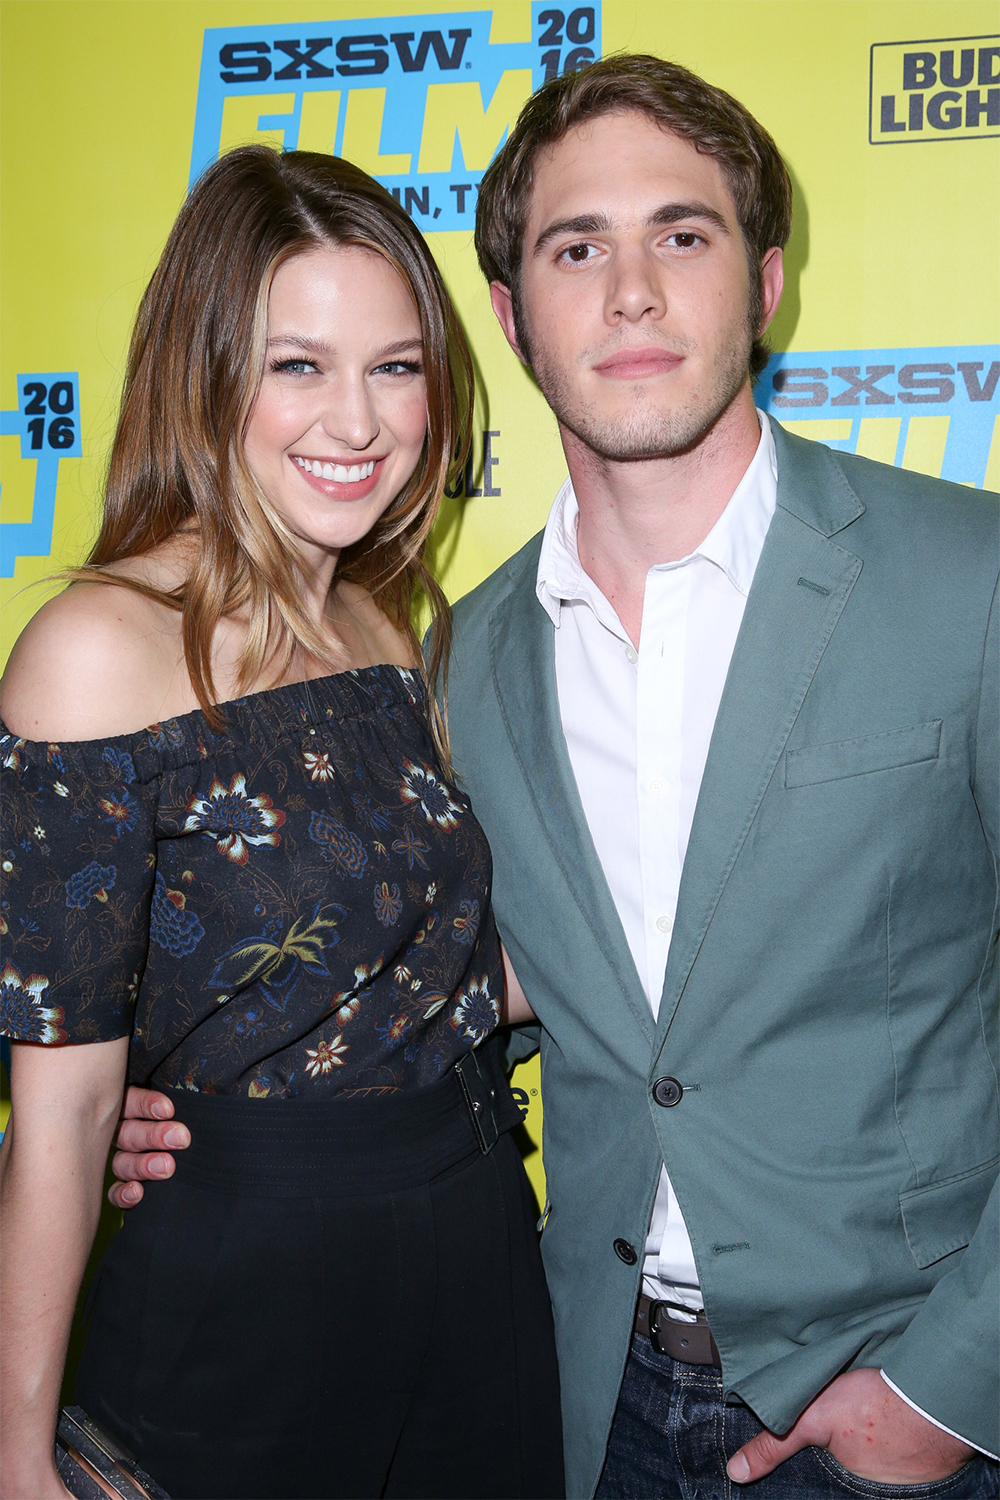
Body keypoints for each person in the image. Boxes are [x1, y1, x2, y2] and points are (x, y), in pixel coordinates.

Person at [111, 55, 999, 1499]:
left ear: (765, 281)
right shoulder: (445, 669)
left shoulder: (970, 578)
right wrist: (184, 1106)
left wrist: (951, 1388)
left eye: (683, 235)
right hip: (580, 1403)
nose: (634, 291)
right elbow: (439, 976)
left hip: (906, 1415)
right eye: (580, 248)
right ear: (514, 316)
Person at [0, 146, 563, 1500]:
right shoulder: (96, 648)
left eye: (396, 365)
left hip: (474, 1241)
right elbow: (66, 1120)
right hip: (244, 1289)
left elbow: (437, 972)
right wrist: (16, 1452)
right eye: (298, 364)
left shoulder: (394, 623)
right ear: (203, 375)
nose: (358, 422)